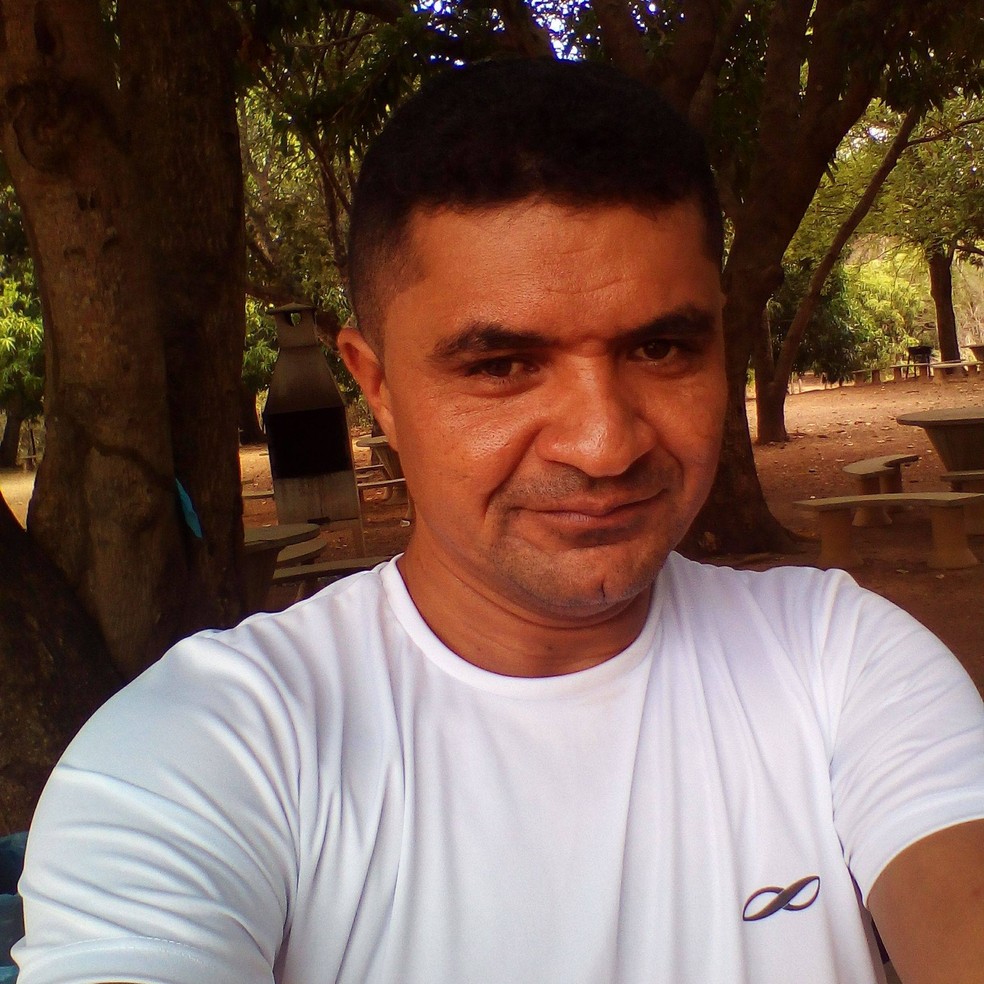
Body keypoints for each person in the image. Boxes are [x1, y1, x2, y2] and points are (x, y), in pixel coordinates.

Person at [13, 58, 984, 984]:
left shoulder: (841, 665)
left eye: (661, 347)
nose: (604, 444)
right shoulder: (207, 755)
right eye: (501, 366)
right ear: (378, 387)